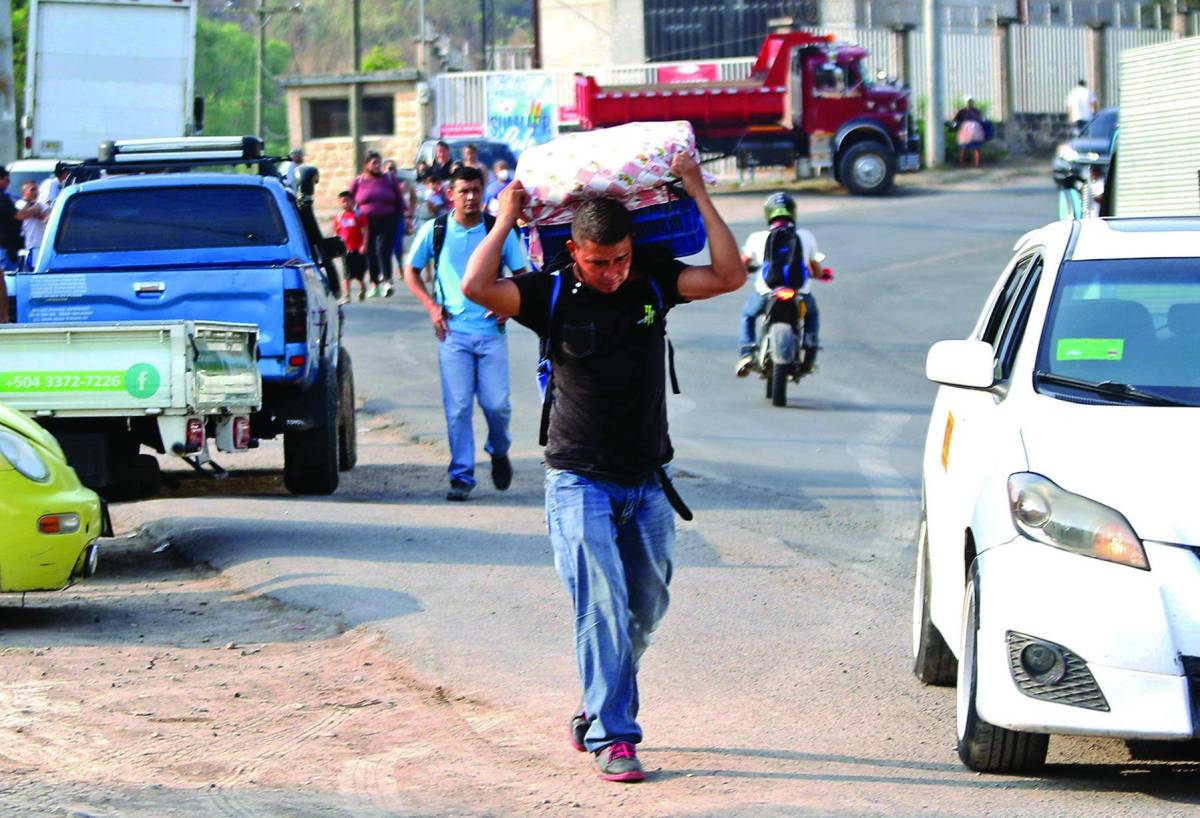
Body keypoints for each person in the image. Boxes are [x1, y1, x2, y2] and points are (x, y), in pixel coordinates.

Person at [461, 152, 744, 783]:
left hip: (647, 482)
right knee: (603, 605)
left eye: (620, 259)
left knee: (646, 605)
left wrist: (696, 189)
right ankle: (615, 735)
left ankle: (595, 705)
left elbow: (729, 275)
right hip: (577, 479)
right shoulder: (551, 291)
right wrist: (504, 219)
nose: (612, 273)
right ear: (576, 253)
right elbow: (477, 288)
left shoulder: (651, 282)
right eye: (599, 262)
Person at [404, 165, 528, 502]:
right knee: (458, 406)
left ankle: (498, 451)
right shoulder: (436, 229)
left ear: (483, 192)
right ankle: (461, 476)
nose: (470, 197)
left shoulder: (497, 230)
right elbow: (411, 271)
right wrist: (431, 306)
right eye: (463, 191)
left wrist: (511, 305)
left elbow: (522, 273)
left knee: (496, 405)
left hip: (491, 331)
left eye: (476, 190)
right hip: (453, 333)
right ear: (451, 194)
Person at [735, 192, 825, 377]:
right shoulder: (805, 236)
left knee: (748, 315)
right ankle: (810, 346)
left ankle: (746, 352)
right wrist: (820, 274)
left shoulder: (756, 238)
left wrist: (744, 273)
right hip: (800, 294)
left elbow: (742, 265)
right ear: (793, 212)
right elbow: (815, 269)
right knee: (812, 315)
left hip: (766, 293)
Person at [349, 151, 406, 298]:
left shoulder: (389, 179)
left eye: (378, 163)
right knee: (370, 252)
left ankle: (387, 281)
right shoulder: (358, 181)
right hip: (366, 222)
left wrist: (405, 216)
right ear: (366, 165)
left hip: (388, 219)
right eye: (373, 163)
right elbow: (349, 200)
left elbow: (399, 199)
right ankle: (374, 283)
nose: (377, 166)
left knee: (383, 249)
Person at [331, 190, 369, 303]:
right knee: (346, 273)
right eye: (342, 202)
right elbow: (336, 234)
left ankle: (362, 287)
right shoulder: (338, 217)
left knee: (359, 273)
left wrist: (364, 245)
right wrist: (336, 248)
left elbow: (365, 231)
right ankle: (347, 295)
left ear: (353, 201)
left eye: (347, 201)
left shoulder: (359, 215)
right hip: (345, 250)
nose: (345, 204)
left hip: (357, 248)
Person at [16, 180, 48, 267]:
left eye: (37, 190)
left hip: (43, 246)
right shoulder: (20, 204)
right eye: (32, 190)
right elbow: (28, 213)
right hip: (31, 246)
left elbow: (48, 217)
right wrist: (37, 211)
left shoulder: (41, 205)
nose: (36, 192)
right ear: (24, 192)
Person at [951, 97, 986, 168]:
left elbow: (982, 119)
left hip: (976, 131)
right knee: (964, 147)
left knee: (976, 147)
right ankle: (961, 164)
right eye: (968, 102)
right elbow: (954, 119)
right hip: (965, 131)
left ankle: (977, 164)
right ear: (966, 103)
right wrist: (955, 115)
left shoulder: (976, 111)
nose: (970, 103)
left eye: (971, 102)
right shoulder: (962, 111)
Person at [0, 169, 22, 270]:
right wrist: (35, 210)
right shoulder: (2, 198)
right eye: (7, 180)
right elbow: (18, 215)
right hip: (4, 248)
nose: (8, 183)